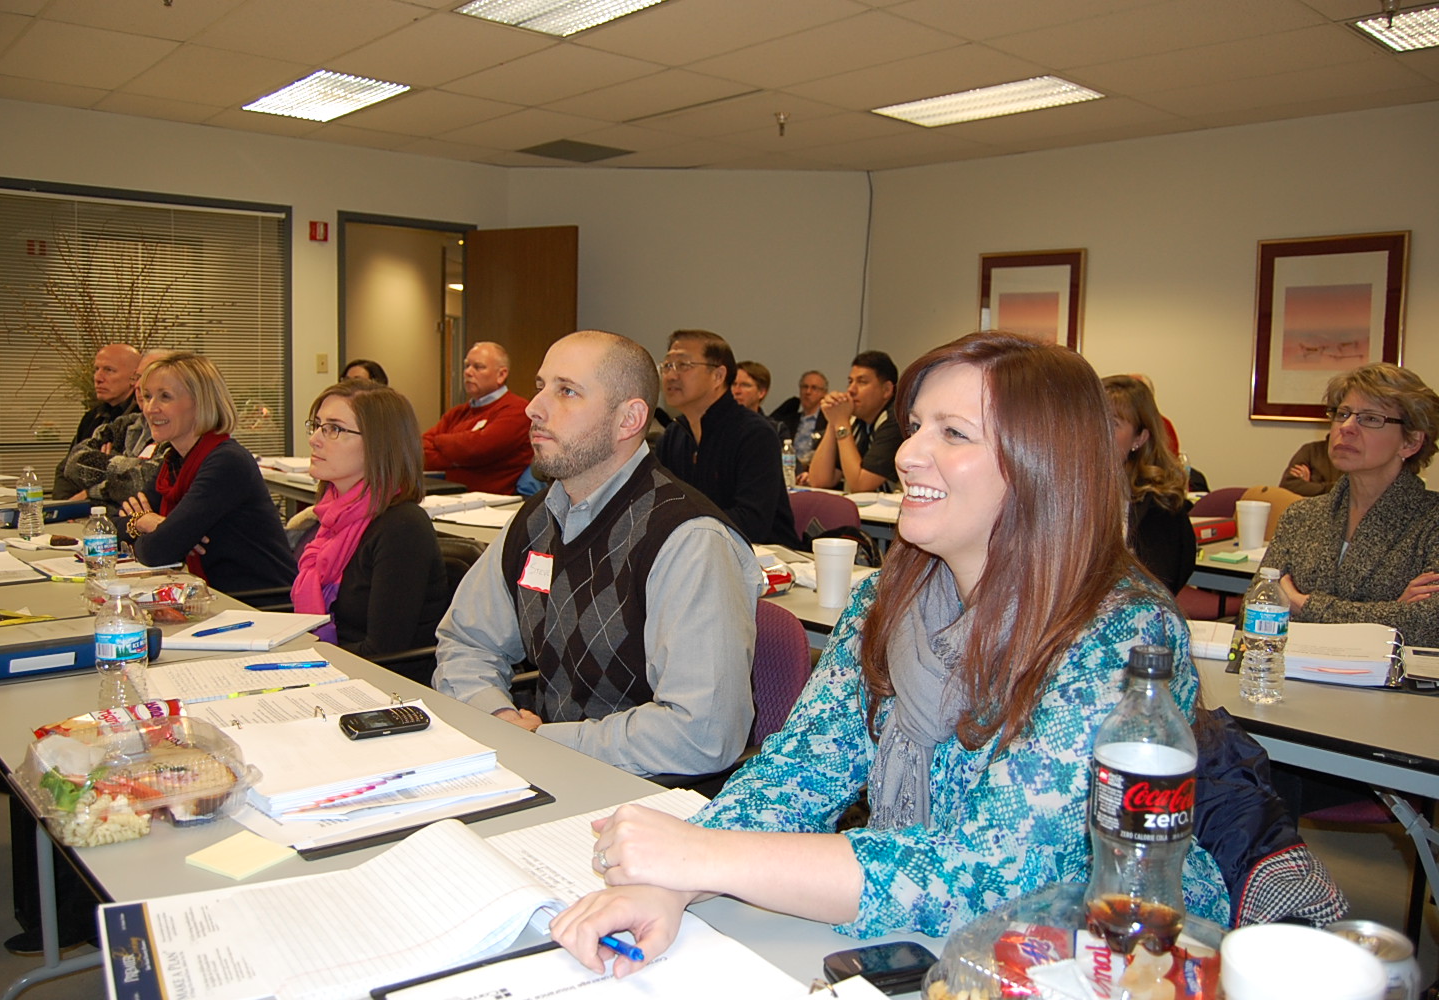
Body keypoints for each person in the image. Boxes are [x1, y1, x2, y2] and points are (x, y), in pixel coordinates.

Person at [549, 332, 1230, 974]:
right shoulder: (891, 596)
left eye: (953, 433)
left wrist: (709, 856)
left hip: (1106, 960)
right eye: (917, 426)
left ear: (1040, 467)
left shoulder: (1124, 635)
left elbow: (992, 873)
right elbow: (800, 769)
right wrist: (673, 883)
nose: (907, 455)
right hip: (922, 938)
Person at [434, 330, 761, 778]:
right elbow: (467, 640)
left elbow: (702, 733)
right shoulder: (534, 520)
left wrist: (543, 741)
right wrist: (498, 717)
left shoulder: (688, 540)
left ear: (629, 420)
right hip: (543, 767)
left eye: (566, 391)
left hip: (640, 800)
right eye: (540, 386)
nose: (534, 408)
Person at [1263, 363, 1439, 647]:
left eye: (1370, 419)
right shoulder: (1301, 516)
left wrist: (1301, 604)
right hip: (1295, 678)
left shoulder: (1432, 523)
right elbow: (1258, 606)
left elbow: (1428, 625)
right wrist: (1391, 613)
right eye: (1343, 414)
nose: (1346, 428)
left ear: (1410, 442)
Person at [293, 379, 448, 667]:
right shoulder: (332, 517)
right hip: (334, 666)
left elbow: (383, 652)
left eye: (334, 429)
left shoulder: (402, 527)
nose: (315, 439)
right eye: (316, 425)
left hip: (385, 687)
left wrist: (302, 660)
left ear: (379, 444)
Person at [116, 352, 295, 594]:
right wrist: (149, 522)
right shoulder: (173, 461)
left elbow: (158, 552)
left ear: (201, 403)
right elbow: (114, 527)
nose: (150, 408)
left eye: (165, 397)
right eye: (147, 396)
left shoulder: (226, 462)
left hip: (258, 605)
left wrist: (161, 530)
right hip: (209, 598)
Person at [655, 331, 797, 547]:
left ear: (718, 376)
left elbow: (752, 523)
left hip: (766, 561)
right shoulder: (673, 436)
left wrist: (680, 526)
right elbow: (658, 507)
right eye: (667, 366)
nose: (671, 375)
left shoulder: (755, 435)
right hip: (695, 554)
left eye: (684, 365)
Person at [1103, 375, 1196, 594]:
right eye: (1095, 418)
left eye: (1114, 424)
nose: (1100, 430)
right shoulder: (1065, 490)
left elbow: (1155, 590)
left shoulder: (1158, 507)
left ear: (1140, 438)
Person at [59, 348, 171, 510]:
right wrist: (132, 468)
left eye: (149, 377)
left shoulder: (177, 431)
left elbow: (146, 481)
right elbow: (73, 464)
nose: (138, 385)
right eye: (138, 377)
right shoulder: (123, 425)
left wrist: (93, 491)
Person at [421, 341, 532, 494]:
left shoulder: (518, 410)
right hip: (449, 497)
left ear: (501, 374)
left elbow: (476, 449)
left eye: (478, 367)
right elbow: (420, 452)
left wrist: (439, 441)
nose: (468, 372)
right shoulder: (457, 413)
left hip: (493, 505)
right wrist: (460, 456)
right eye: (467, 366)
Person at [51, 342, 142, 497]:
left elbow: (130, 477)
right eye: (96, 369)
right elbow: (67, 468)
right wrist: (63, 506)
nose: (98, 378)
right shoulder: (93, 417)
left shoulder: (144, 421)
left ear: (134, 378)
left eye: (109, 370)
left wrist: (88, 492)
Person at [804, 350, 900, 491]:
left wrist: (842, 423)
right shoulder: (856, 421)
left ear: (886, 390)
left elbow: (860, 486)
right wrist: (834, 421)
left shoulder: (897, 421)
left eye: (862, 382)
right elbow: (819, 480)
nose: (851, 390)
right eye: (850, 382)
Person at [769, 370, 828, 470]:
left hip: (814, 471)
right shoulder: (788, 420)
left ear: (824, 393)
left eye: (814, 388)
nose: (808, 392)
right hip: (788, 469)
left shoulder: (828, 422)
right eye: (804, 387)